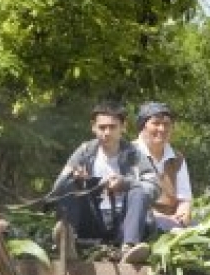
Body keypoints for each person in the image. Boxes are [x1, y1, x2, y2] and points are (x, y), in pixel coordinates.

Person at [51, 100, 159, 263]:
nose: (107, 133)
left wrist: (126, 183)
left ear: (123, 127)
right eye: (102, 127)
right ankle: (68, 243)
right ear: (93, 127)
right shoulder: (84, 152)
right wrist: (76, 178)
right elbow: (57, 188)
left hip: (123, 222)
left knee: (139, 190)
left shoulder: (134, 154)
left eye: (112, 127)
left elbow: (154, 187)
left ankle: (129, 248)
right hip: (91, 219)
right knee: (68, 184)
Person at [133, 101, 193, 231]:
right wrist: (165, 220)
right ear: (142, 126)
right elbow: (131, 201)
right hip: (142, 218)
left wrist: (183, 214)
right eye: (156, 123)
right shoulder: (129, 154)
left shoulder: (177, 158)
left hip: (173, 220)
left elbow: (184, 198)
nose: (162, 129)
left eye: (166, 124)